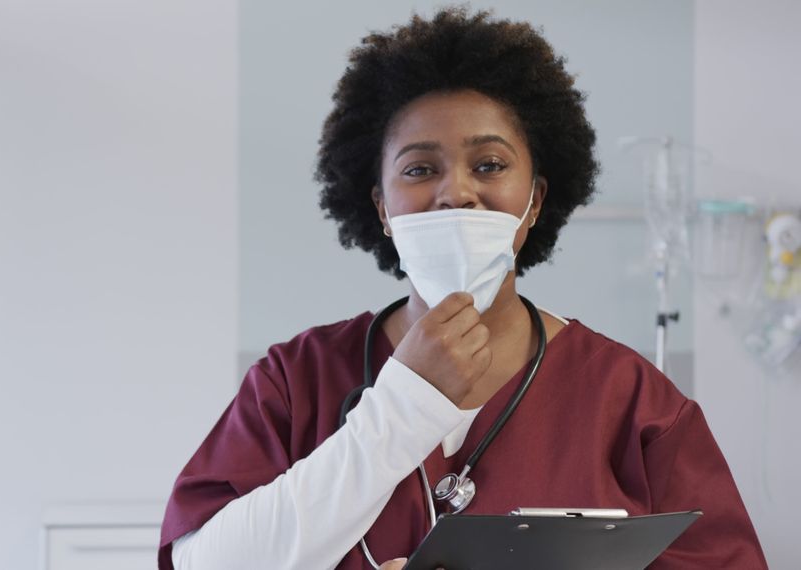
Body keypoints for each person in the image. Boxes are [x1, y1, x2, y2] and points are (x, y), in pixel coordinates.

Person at [159, 7, 766, 569]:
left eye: (490, 164)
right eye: (420, 169)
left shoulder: (635, 405)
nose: (457, 193)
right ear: (382, 210)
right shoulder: (295, 383)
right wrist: (403, 407)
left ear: (536, 201)